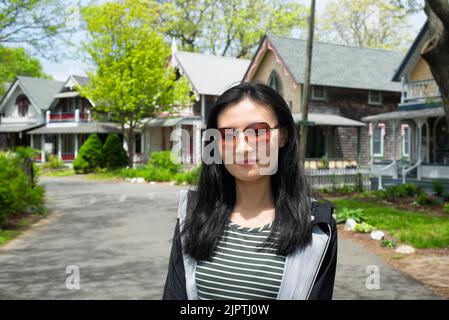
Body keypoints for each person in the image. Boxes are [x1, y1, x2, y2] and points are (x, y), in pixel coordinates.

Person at [162, 82, 337, 300]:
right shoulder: (192, 213)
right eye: (228, 134)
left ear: (282, 135)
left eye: (257, 132)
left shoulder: (317, 226)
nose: (242, 148)